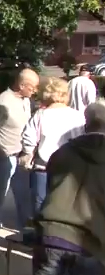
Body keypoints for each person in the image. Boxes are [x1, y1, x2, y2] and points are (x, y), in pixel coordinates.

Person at [33, 100, 105, 275]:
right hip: (90, 243)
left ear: (86, 124)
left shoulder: (62, 152)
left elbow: (49, 188)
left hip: (51, 234)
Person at [0, 68, 39, 252]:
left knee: (24, 199)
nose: (35, 91)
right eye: (33, 87)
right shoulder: (3, 102)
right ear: (22, 85)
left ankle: (28, 237)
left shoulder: (26, 100)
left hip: (21, 158)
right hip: (4, 158)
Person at [19, 77, 85, 215]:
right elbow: (82, 140)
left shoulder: (41, 115)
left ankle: (40, 233)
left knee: (40, 205)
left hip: (43, 167)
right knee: (65, 206)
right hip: (69, 168)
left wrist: (28, 153)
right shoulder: (77, 116)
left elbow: (28, 139)